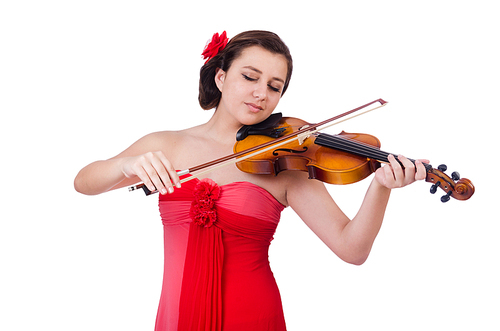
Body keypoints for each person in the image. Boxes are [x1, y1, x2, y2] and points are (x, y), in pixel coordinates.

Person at [74, 30, 427, 331]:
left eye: (275, 86)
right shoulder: (167, 145)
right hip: (177, 312)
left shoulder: (285, 161)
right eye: (250, 77)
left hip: (252, 313)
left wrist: (380, 186)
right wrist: (126, 165)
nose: (262, 93)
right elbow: (84, 182)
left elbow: (352, 249)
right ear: (221, 77)